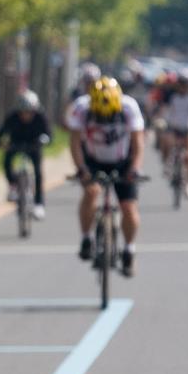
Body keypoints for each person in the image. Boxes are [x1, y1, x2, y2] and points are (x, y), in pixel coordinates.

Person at [66, 75, 145, 278]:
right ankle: (86, 238)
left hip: (122, 160)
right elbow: (74, 143)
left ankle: (129, 250)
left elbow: (138, 143)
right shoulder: (81, 108)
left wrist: (134, 169)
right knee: (91, 193)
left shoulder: (129, 107)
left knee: (128, 207)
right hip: (93, 159)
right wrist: (81, 168)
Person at [0, 89, 53, 219]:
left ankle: (39, 204)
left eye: (29, 112)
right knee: (6, 161)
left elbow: (49, 134)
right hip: (16, 143)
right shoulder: (12, 117)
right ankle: (13, 185)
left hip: (34, 145)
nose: (26, 115)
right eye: (23, 112)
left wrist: (44, 140)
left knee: (38, 172)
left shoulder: (40, 117)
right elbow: (1, 132)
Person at [155, 68, 188, 199]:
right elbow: (163, 109)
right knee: (166, 140)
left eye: (186, 83)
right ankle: (167, 163)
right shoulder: (170, 94)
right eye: (182, 82)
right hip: (174, 126)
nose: (184, 86)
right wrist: (160, 120)